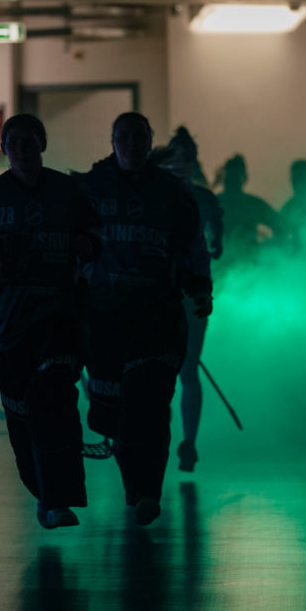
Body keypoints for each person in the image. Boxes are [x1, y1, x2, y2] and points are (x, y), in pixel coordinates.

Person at [0, 113, 102, 530]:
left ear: (42, 143)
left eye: (29, 141)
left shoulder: (69, 192)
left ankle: (60, 499)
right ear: (3, 149)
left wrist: (86, 246)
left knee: (55, 397)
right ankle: (44, 495)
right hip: (8, 326)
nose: (22, 149)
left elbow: (100, 241)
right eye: (14, 142)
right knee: (22, 417)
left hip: (60, 318)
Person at [76, 112, 212, 525]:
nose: (132, 143)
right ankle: (135, 486)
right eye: (124, 136)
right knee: (111, 414)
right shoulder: (88, 188)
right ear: (112, 140)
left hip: (157, 317)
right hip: (103, 318)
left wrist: (201, 286)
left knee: (151, 407)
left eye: (139, 136)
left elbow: (194, 244)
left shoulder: (173, 194)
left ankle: (146, 491)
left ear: (150, 142)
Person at [150, 127, 223, 472]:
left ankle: (187, 441)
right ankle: (164, 442)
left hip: (189, 292)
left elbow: (216, 243)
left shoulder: (203, 199)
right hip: (160, 294)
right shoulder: (153, 196)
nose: (181, 166)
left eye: (186, 160)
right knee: (163, 371)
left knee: (187, 369)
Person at [215, 153, 283, 266]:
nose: (232, 183)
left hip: (249, 265)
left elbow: (281, 228)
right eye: (229, 179)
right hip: (221, 266)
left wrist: (263, 246)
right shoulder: (213, 203)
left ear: (243, 179)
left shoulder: (253, 204)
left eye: (235, 179)